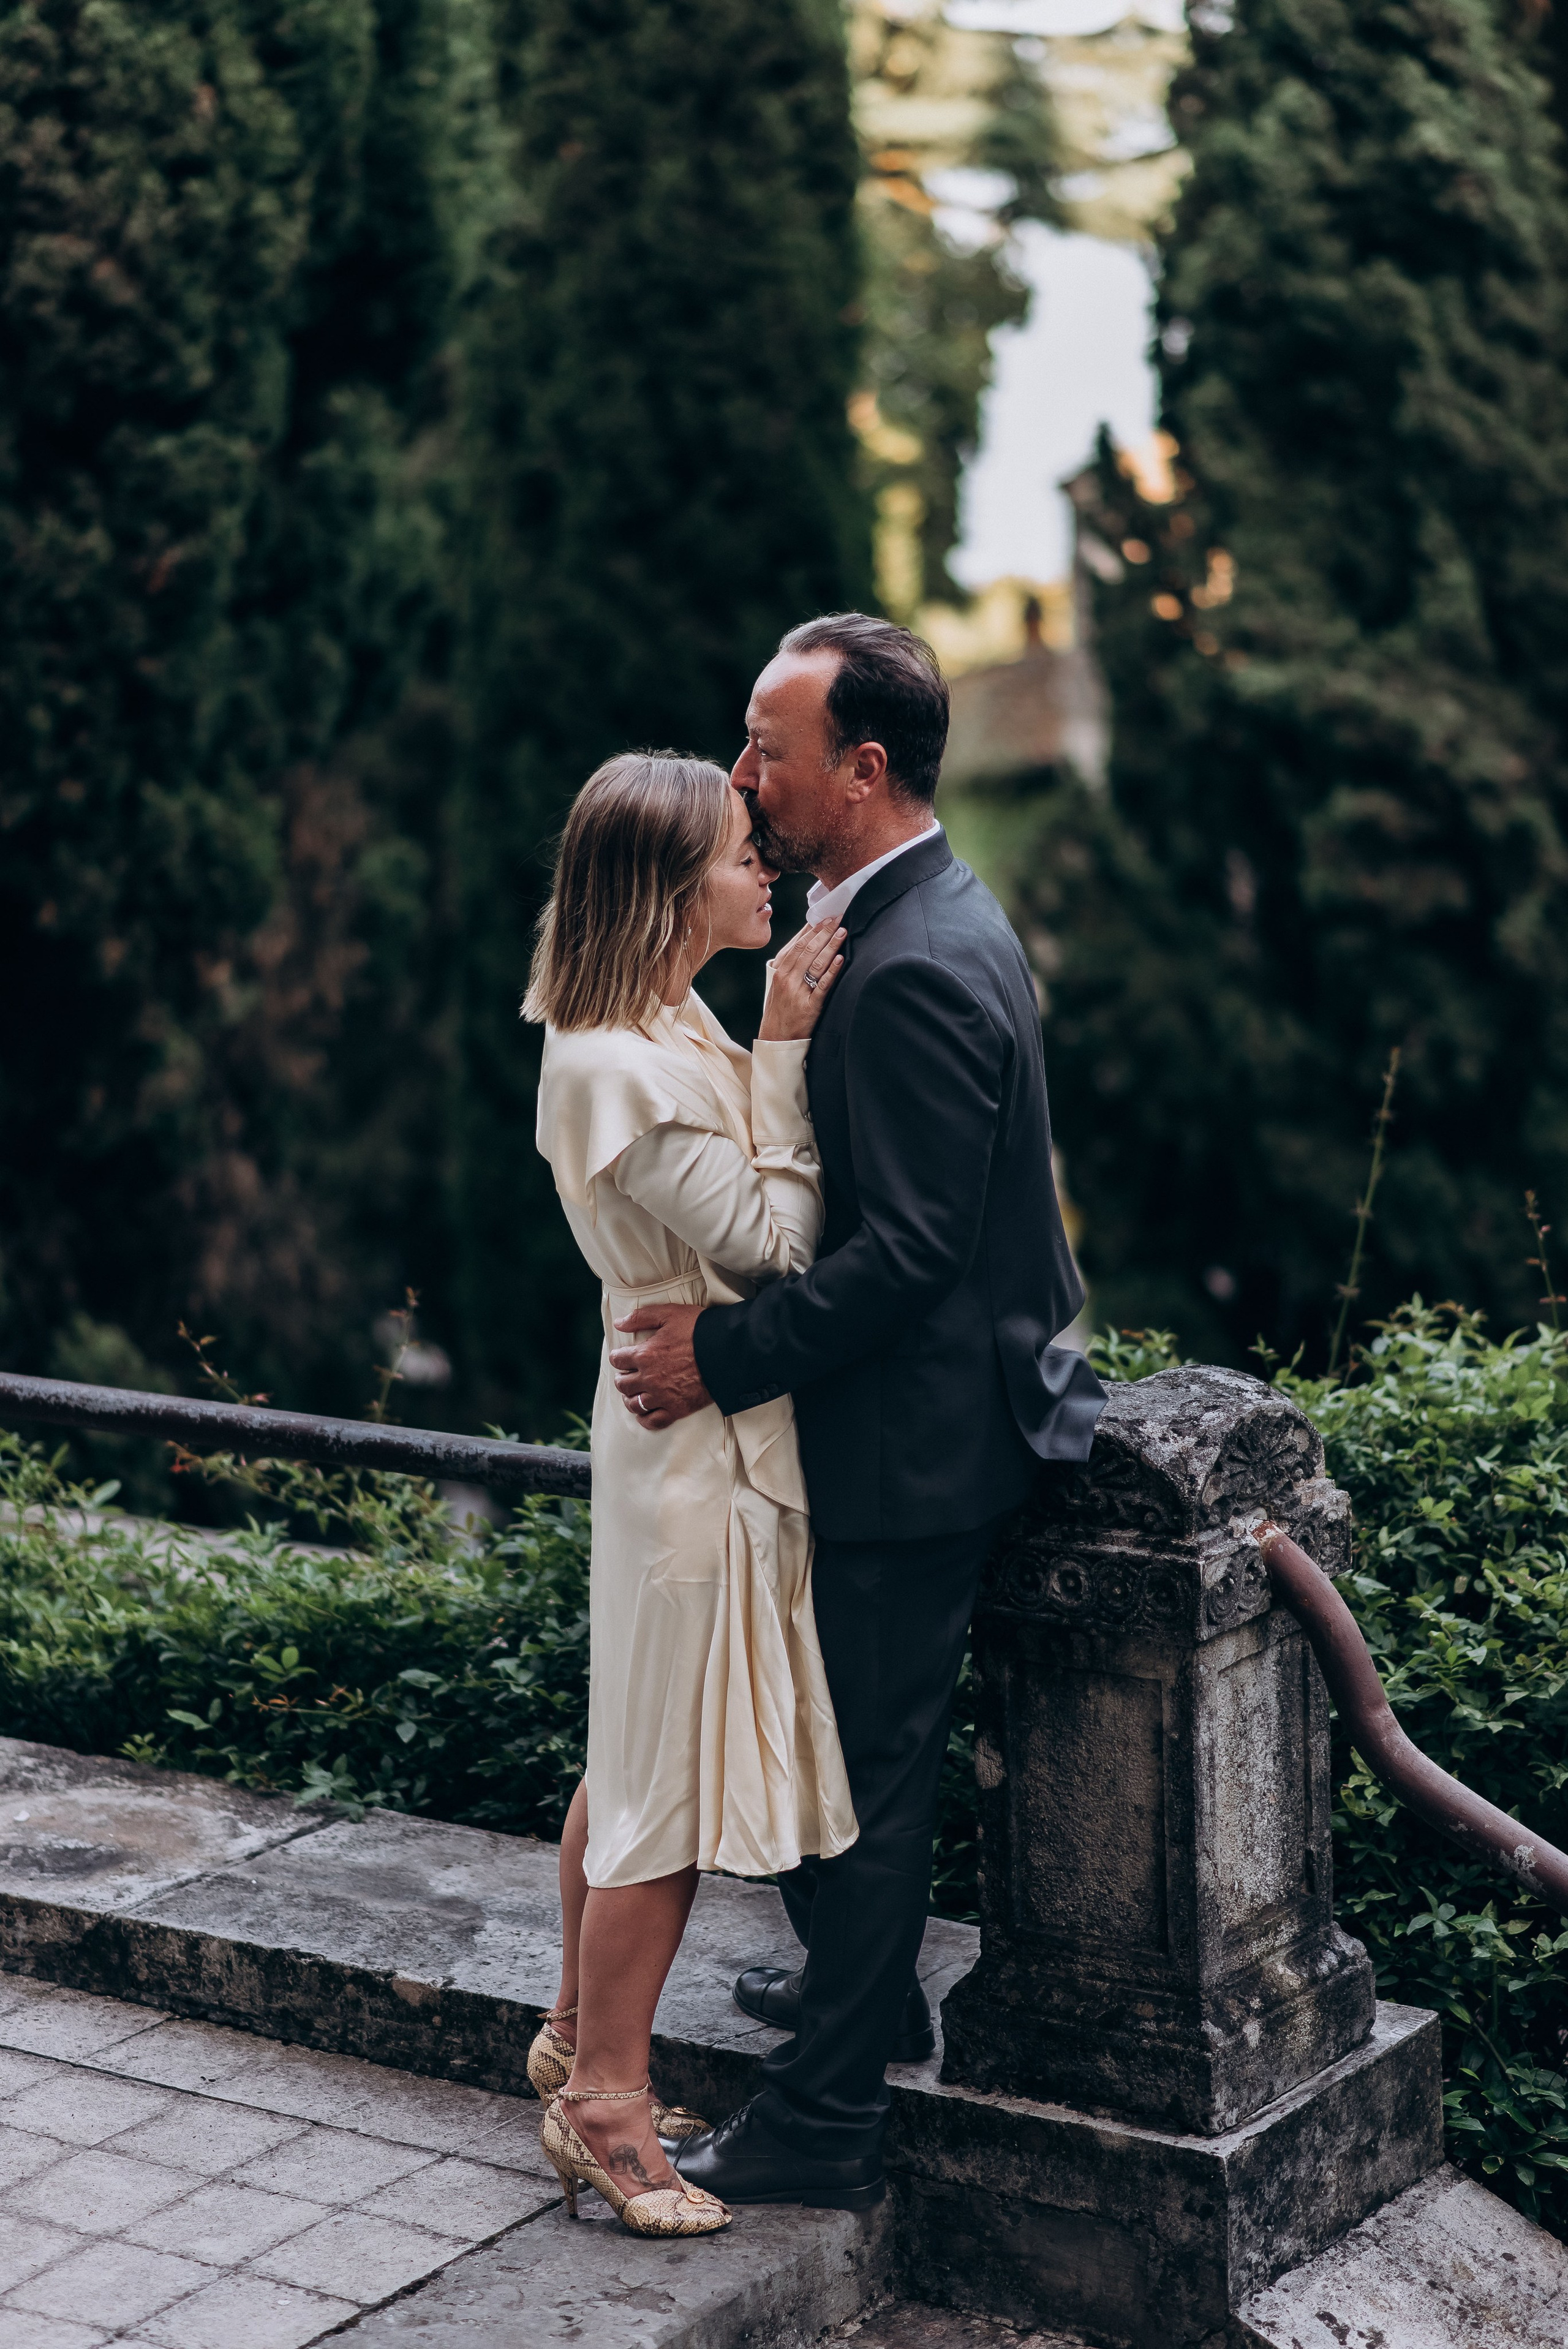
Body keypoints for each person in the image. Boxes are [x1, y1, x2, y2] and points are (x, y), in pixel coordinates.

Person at [608, 615, 1107, 2212]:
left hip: (921, 1443)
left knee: (861, 1779)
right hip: (907, 1416)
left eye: (770, 746)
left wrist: (720, 1357)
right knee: (834, 1764)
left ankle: (825, 2119)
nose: (743, 772)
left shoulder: (915, 965)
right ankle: (863, 1995)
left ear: (864, 769)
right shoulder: (878, 923)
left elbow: (906, 1257)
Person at [524, 748, 859, 2239]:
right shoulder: (622, 1063)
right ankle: (605, 2096)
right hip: (693, 1459)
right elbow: (776, 1247)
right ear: (670, 892)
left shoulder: (654, 1013)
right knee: (656, 1792)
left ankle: (563, 2027)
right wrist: (785, 1042)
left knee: (630, 1747)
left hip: (683, 1431)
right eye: (739, 854)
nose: (764, 867)